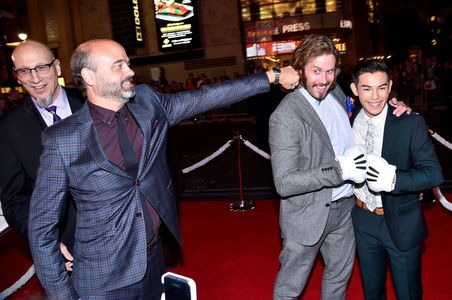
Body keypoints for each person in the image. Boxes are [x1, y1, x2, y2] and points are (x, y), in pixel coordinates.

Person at [27, 38, 300, 299]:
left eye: (128, 63)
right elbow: (41, 228)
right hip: (101, 279)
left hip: (154, 260)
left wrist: (270, 77)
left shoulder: (148, 104)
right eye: (118, 65)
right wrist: (63, 295)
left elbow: (206, 97)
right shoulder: (63, 139)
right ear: (89, 76)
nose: (130, 71)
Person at [269, 34, 409, 300]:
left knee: (338, 279)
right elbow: (284, 182)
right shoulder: (285, 116)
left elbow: (360, 111)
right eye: (316, 71)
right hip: (307, 215)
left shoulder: (334, 91)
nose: (323, 79)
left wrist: (392, 106)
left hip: (345, 210)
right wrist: (338, 171)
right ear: (301, 68)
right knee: (290, 289)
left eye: (330, 71)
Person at [349, 59, 443, 299]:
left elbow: (433, 173)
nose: (375, 96)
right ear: (354, 90)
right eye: (366, 88)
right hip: (362, 219)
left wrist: (393, 180)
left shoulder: (409, 122)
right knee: (372, 292)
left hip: (400, 221)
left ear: (390, 87)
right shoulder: (350, 117)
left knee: (408, 294)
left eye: (381, 87)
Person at [0, 40, 84, 270]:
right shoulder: (9, 128)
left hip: (122, 235)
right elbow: (14, 199)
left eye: (41, 67)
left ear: (57, 67)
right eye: (25, 71)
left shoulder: (92, 102)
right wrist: (46, 242)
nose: (35, 79)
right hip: (67, 250)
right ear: (17, 76)